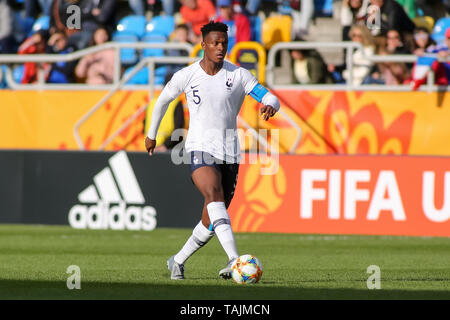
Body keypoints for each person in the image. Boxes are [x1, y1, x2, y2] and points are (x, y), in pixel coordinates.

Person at [144, 21, 280, 280]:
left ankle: (178, 260)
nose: (220, 48)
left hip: (230, 154)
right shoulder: (187, 75)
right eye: (215, 43)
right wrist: (151, 134)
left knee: (212, 218)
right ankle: (233, 260)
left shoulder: (238, 75)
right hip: (199, 148)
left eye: (224, 43)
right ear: (203, 44)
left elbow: (269, 96)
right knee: (215, 196)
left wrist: (271, 105)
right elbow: (163, 100)